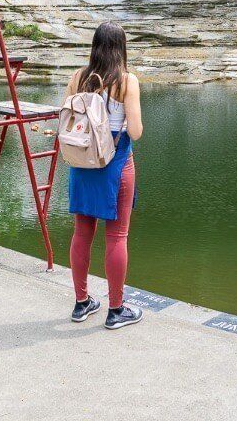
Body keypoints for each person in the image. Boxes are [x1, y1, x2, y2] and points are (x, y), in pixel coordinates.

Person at [63, 21, 143, 330]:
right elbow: (135, 131)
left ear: (95, 46)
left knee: (82, 233)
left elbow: (68, 120)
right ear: (121, 48)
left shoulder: (78, 77)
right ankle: (115, 309)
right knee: (117, 235)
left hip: (82, 165)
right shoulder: (126, 82)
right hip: (115, 166)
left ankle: (82, 302)